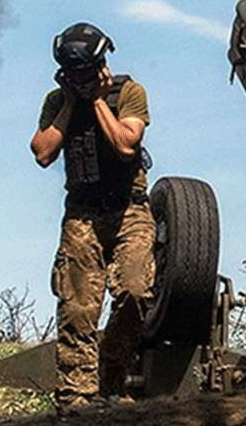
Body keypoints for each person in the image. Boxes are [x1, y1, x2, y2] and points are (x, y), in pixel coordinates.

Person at [30, 22, 155, 410]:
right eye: (72, 74)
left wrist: (99, 101)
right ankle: (76, 396)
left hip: (129, 209)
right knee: (78, 307)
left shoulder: (128, 93)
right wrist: (70, 104)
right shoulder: (57, 101)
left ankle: (110, 379)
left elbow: (125, 145)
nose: (80, 79)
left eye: (85, 72)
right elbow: (42, 152)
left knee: (135, 291)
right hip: (82, 213)